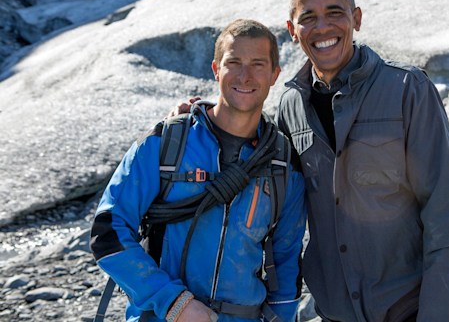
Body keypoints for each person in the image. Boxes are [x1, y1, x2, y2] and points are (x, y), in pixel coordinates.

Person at [276, 0, 449, 322]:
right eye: (308, 18)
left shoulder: (407, 89)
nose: (322, 27)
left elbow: (447, 215)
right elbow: (258, 180)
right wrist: (196, 116)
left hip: (410, 308)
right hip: (336, 312)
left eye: (335, 12)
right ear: (292, 31)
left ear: (357, 19)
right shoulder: (290, 106)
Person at [90, 19, 306, 322]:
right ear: (216, 70)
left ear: (274, 75)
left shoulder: (283, 164)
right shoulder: (165, 143)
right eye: (234, 63)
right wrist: (174, 302)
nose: (245, 75)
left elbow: (286, 262)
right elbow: (108, 231)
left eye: (258, 64)